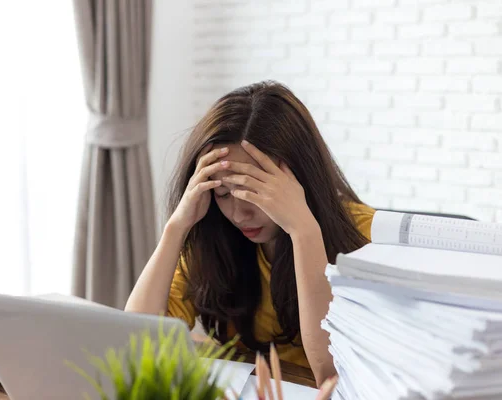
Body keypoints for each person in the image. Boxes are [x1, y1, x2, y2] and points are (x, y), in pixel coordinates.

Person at [125, 80, 375, 386]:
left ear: (299, 178)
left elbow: (333, 376)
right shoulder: (212, 233)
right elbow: (137, 345)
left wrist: (304, 230)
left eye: (251, 193)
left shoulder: (367, 238)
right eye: (223, 193)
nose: (239, 215)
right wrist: (176, 227)